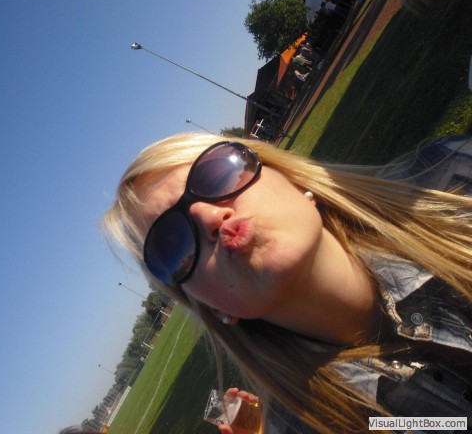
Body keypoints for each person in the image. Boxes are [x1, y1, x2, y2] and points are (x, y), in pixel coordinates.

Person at [103, 132, 472, 433]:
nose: (209, 216)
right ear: (213, 308)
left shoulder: (456, 180)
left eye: (217, 176)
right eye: (172, 243)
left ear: (291, 180)